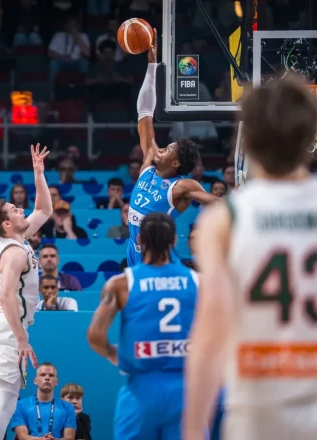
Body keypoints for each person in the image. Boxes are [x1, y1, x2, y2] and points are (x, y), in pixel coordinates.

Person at [183, 76, 317, 440]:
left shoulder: (224, 219)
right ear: (310, 137)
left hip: (258, 407)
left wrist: (193, 430)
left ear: (248, 141)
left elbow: (210, 333)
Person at [88, 212, 200, 440]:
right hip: (187, 387)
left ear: (139, 239)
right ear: (174, 241)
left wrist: (113, 354)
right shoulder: (199, 282)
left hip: (141, 388)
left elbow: (95, 335)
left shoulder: (121, 284)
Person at [0, 143, 53, 440]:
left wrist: (38, 174)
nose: (21, 209)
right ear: (7, 223)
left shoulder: (15, 238)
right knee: (5, 405)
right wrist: (21, 338)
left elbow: (44, 210)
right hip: (6, 330)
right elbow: (8, 295)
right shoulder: (15, 252)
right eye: (14, 209)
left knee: (1, 405)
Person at [128, 29, 217, 267]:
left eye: (168, 150)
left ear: (176, 163)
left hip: (159, 258)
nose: (161, 150)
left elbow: (213, 201)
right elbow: (144, 113)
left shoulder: (181, 186)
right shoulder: (149, 163)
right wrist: (152, 67)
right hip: (134, 250)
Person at [10, 363, 76, 440]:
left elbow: (69, 438)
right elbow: (23, 437)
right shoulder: (20, 405)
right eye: (42, 375)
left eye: (51, 375)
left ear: (56, 382)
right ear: (35, 381)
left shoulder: (68, 407)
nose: (47, 378)